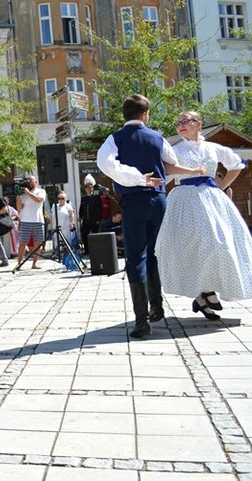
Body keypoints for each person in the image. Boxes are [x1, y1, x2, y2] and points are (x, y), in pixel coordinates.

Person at [97, 94, 205, 338]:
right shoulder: (158, 137)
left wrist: (136, 178)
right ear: (145, 114)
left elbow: (105, 164)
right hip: (158, 200)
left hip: (133, 201)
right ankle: (157, 306)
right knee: (154, 254)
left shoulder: (115, 139)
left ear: (125, 114)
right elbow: (171, 162)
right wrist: (152, 179)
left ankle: (141, 320)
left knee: (135, 256)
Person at [155, 111, 252, 319]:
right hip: (184, 201)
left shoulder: (214, 148)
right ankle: (204, 293)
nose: (180, 125)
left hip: (211, 200)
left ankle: (204, 295)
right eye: (177, 122)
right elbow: (166, 170)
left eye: (185, 121)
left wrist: (221, 186)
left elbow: (236, 165)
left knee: (220, 244)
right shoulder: (175, 149)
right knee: (196, 246)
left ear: (198, 124)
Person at [16, 175, 46, 270]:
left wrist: (27, 192)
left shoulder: (41, 191)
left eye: (31, 180)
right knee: (23, 243)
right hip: (26, 220)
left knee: (38, 242)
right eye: (28, 181)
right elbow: (19, 208)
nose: (29, 182)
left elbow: (38, 200)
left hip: (38, 220)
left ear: (36, 182)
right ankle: (19, 263)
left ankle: (35, 263)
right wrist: (17, 194)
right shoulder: (24, 194)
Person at [78, 176, 102, 255]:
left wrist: (98, 219)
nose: (88, 189)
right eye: (87, 188)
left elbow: (99, 209)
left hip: (94, 220)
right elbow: (81, 209)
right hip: (86, 220)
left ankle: (96, 250)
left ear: (92, 188)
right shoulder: (83, 198)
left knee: (95, 235)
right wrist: (80, 217)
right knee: (84, 235)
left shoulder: (96, 197)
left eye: (90, 188)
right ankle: (87, 250)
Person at [50, 191, 76, 256]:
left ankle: (67, 254)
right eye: (59, 198)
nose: (60, 200)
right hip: (56, 227)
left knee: (66, 241)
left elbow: (71, 214)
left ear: (65, 199)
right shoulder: (54, 206)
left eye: (62, 198)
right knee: (56, 241)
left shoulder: (68, 206)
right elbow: (52, 216)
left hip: (65, 227)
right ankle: (58, 254)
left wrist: (72, 222)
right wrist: (51, 225)